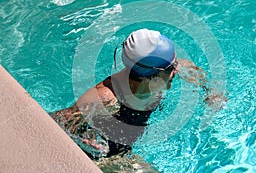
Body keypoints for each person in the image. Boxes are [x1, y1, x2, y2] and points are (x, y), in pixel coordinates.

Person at [50, 28, 226, 160]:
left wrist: (211, 92)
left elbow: (192, 70)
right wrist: (85, 143)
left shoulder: (160, 74)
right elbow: (57, 122)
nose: (178, 68)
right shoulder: (107, 98)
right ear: (149, 75)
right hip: (111, 153)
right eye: (171, 67)